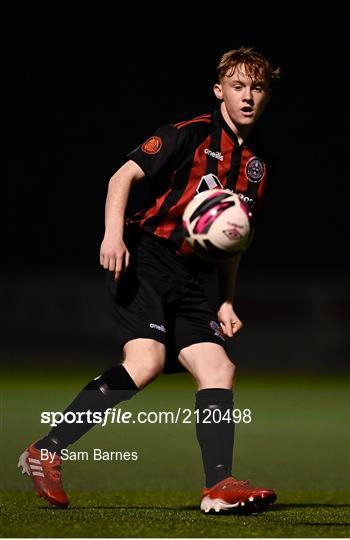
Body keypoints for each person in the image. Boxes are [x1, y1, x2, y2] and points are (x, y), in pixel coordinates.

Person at [18, 46, 280, 513]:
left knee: (219, 368)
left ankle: (218, 487)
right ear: (218, 90)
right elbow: (122, 177)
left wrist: (226, 301)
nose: (247, 97)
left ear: (266, 96)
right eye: (237, 87)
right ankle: (47, 451)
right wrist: (113, 236)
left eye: (256, 88)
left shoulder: (257, 166)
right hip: (143, 257)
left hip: (189, 279)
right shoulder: (188, 135)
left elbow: (234, 241)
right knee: (146, 362)